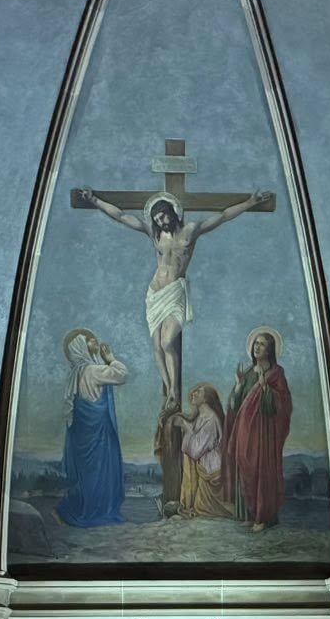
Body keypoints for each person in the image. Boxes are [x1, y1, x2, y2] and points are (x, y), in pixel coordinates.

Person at [76, 185, 271, 513]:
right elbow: (123, 217)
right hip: (154, 293)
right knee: (156, 345)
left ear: (174, 212)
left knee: (169, 340)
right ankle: (169, 389)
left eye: (163, 214)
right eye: (156, 216)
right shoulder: (154, 236)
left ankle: (172, 385)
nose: (160, 219)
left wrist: (251, 202)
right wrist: (94, 201)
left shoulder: (190, 232)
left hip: (176, 292)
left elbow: (221, 217)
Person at [56, 328, 129, 528]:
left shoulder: (75, 373)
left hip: (83, 433)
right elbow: (121, 375)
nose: (94, 340)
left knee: (88, 473)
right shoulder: (91, 370)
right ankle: (95, 512)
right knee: (99, 471)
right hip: (97, 433)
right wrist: (111, 359)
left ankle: (84, 508)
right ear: (80, 348)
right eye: (88, 340)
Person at [224, 327, 292, 531]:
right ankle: (249, 513)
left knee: (260, 470)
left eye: (262, 344)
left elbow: (283, 405)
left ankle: (263, 517)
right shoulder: (246, 373)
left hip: (264, 434)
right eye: (255, 343)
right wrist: (237, 386)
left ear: (270, 349)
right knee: (244, 467)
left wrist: (265, 388)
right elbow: (235, 405)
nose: (257, 347)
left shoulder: (276, 374)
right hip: (244, 430)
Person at [170, 383, 232, 519]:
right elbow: (196, 437)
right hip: (205, 466)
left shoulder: (211, 420)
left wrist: (185, 426)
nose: (193, 393)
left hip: (211, 470)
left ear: (206, 399)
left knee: (201, 508)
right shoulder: (202, 417)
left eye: (198, 392)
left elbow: (196, 450)